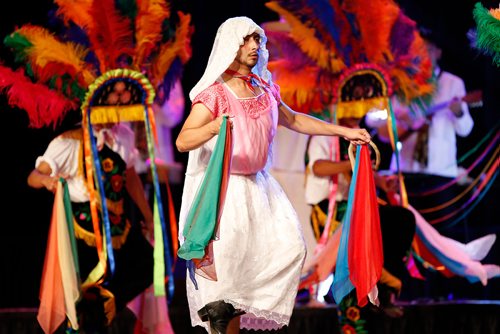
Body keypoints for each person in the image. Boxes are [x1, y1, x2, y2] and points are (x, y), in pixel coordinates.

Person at [175, 16, 371, 334]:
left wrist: (344, 131)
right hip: (227, 189)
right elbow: (183, 140)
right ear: (230, 46)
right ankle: (221, 307)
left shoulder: (263, 87)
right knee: (230, 263)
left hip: (261, 186)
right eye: (247, 40)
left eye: (257, 40)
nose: (255, 46)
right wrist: (214, 126)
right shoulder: (215, 94)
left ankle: (230, 305)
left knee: (292, 247)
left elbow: (294, 120)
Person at [27, 80, 156, 333]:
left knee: (147, 264)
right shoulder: (70, 142)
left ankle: (102, 309)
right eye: (115, 96)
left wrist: (149, 216)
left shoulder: (125, 136)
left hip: (117, 224)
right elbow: (33, 176)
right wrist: (47, 181)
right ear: (98, 100)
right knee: (82, 299)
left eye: (124, 96)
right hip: (83, 228)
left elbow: (129, 176)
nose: (121, 102)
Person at [305, 115, 416, 331]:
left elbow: (363, 173)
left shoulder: (359, 134)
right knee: (348, 270)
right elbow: (317, 167)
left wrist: (383, 181)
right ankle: (354, 325)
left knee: (402, 219)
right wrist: (351, 160)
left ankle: (383, 290)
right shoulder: (327, 134)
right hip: (330, 211)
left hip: (355, 208)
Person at [368, 28, 474, 223]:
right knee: (402, 229)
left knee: (441, 230)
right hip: (404, 170)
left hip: (440, 171)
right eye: (418, 49)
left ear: (438, 52)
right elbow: (372, 119)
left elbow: (466, 130)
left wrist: (458, 112)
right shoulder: (402, 83)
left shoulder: (453, 84)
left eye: (428, 49)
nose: (423, 54)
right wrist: (398, 119)